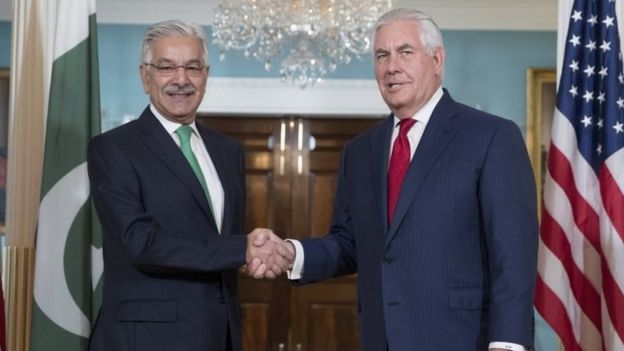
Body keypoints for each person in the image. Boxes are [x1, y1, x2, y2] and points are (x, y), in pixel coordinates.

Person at [249, 8, 538, 351]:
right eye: (381, 55)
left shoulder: (491, 136)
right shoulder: (359, 150)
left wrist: (508, 343)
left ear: (436, 59)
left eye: (405, 52)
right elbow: (349, 244)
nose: (391, 67)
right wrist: (289, 252)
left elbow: (513, 254)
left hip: (463, 338)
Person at [87, 20, 292, 351]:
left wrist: (253, 255)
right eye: (166, 67)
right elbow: (139, 242)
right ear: (145, 76)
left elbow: (221, 242)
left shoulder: (228, 151)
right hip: (146, 340)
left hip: (220, 335)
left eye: (192, 68)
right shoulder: (113, 149)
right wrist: (242, 248)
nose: (181, 79)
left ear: (206, 76)